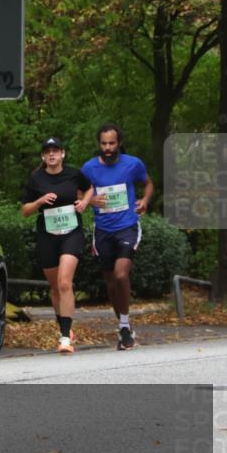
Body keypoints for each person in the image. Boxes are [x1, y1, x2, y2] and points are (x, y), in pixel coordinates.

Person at [81, 124, 153, 350]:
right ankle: (124, 326)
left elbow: (148, 183)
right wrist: (90, 201)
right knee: (111, 282)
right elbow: (79, 193)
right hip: (103, 230)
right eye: (104, 143)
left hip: (127, 226)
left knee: (121, 274)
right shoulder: (89, 168)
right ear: (99, 144)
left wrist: (145, 200)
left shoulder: (133, 164)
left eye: (112, 143)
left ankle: (123, 325)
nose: (108, 148)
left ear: (119, 143)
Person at [20, 137, 91, 354]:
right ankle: (64, 328)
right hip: (48, 235)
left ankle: (65, 338)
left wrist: (84, 202)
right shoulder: (36, 178)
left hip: (72, 232)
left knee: (64, 282)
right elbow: (25, 210)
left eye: (55, 151)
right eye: (47, 152)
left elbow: (89, 189)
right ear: (43, 156)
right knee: (55, 288)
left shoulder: (74, 173)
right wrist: (39, 201)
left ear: (62, 154)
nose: (52, 154)